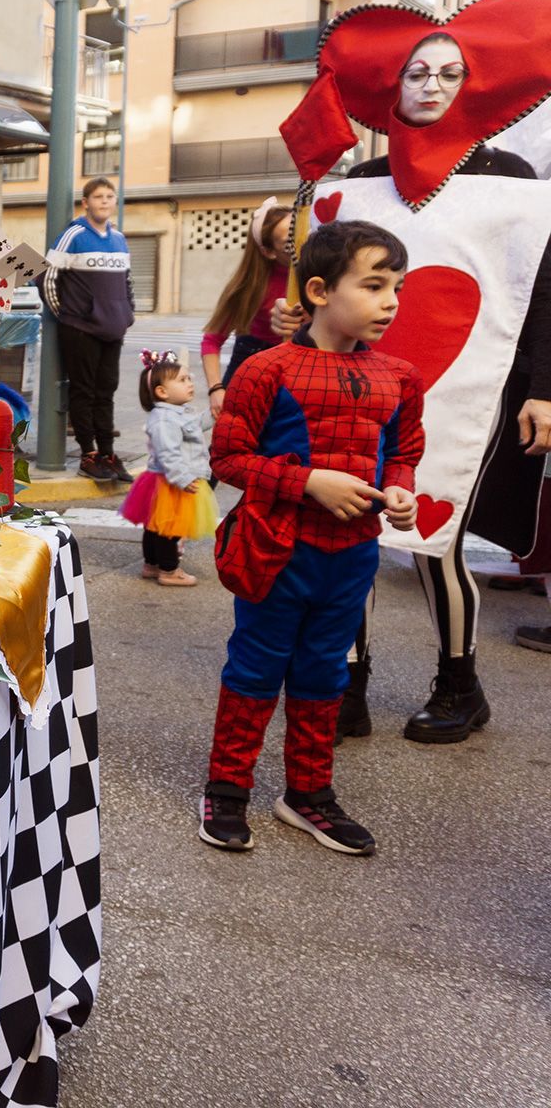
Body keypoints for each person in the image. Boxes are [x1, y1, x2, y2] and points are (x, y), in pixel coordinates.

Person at [272, 29, 551, 743]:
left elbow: (541, 288)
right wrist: (293, 310)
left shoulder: (512, 176)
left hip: (472, 383)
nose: (430, 86)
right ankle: (347, 685)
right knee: (347, 529)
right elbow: (330, 278)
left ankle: (460, 684)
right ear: (392, 87)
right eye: (416, 73)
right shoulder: (362, 179)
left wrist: (544, 387)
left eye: (448, 73)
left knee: (435, 535)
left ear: (471, 84)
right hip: (359, 382)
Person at [201, 221, 423, 857]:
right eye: (375, 285)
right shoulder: (265, 369)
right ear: (321, 290)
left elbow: (403, 452)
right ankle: (227, 788)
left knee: (327, 671)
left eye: (397, 288)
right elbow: (229, 459)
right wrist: (309, 482)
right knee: (256, 665)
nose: (391, 302)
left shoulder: (401, 377)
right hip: (274, 548)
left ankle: (308, 794)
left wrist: (401, 493)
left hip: (352, 558)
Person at [45, 177, 135, 482]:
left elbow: (127, 283)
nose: (105, 201)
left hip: (113, 329)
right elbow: (47, 277)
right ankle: (89, 454)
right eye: (99, 197)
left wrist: (127, 315)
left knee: (106, 392)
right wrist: (68, 316)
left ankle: (108, 453)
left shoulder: (119, 239)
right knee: (82, 392)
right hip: (80, 329)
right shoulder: (74, 235)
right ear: (86, 202)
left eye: (110, 196)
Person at [118, 350, 215, 588]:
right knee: (168, 529)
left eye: (189, 378)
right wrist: (182, 477)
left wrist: (213, 415)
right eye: (182, 380)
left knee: (155, 525)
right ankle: (169, 570)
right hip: (171, 480)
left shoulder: (175, 413)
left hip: (165, 479)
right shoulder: (163, 419)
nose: (190, 383)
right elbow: (167, 452)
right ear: (162, 392)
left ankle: (151, 564)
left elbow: (193, 426)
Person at [201, 200, 293, 418]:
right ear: (269, 251)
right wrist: (216, 389)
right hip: (250, 369)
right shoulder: (247, 287)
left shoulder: (321, 278)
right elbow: (212, 340)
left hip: (297, 372)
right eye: (289, 241)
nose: (300, 242)